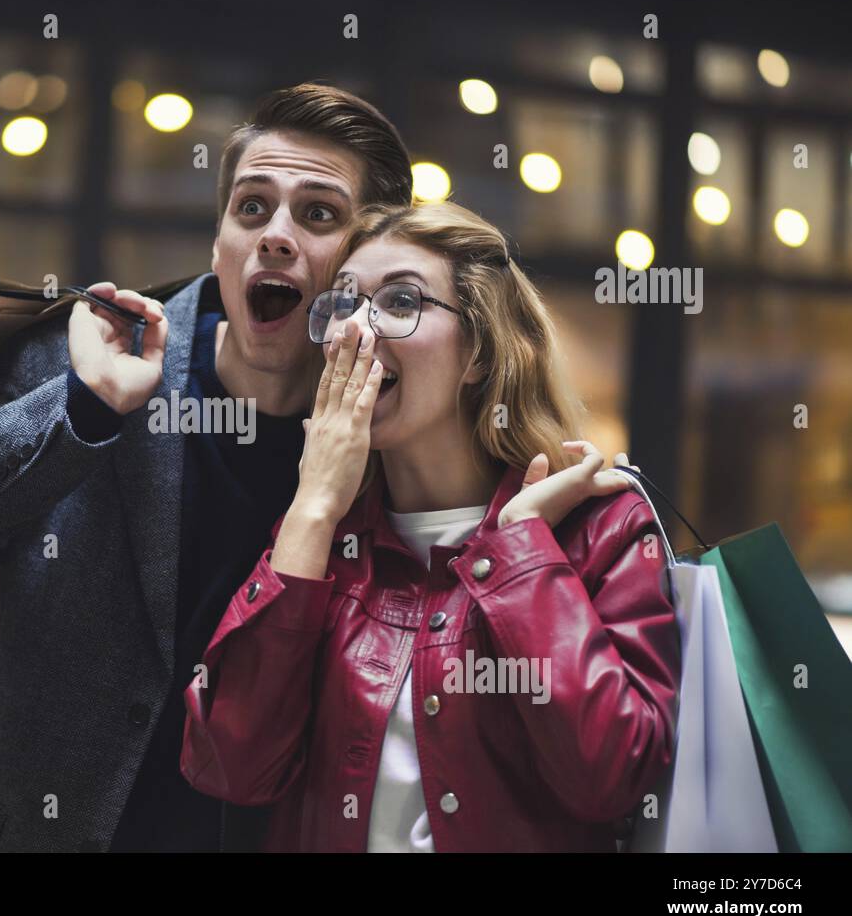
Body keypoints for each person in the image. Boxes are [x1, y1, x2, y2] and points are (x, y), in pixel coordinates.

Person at [0, 83, 415, 851]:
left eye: (318, 214)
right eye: (252, 207)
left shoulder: (391, 443)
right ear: (219, 243)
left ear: (369, 264)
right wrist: (80, 414)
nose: (275, 235)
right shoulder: (85, 361)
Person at [180, 199, 680, 851]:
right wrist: (312, 507)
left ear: (478, 348)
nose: (356, 331)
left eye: (399, 301)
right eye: (343, 305)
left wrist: (522, 543)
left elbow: (613, 776)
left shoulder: (601, 531)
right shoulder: (321, 537)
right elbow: (231, 764)